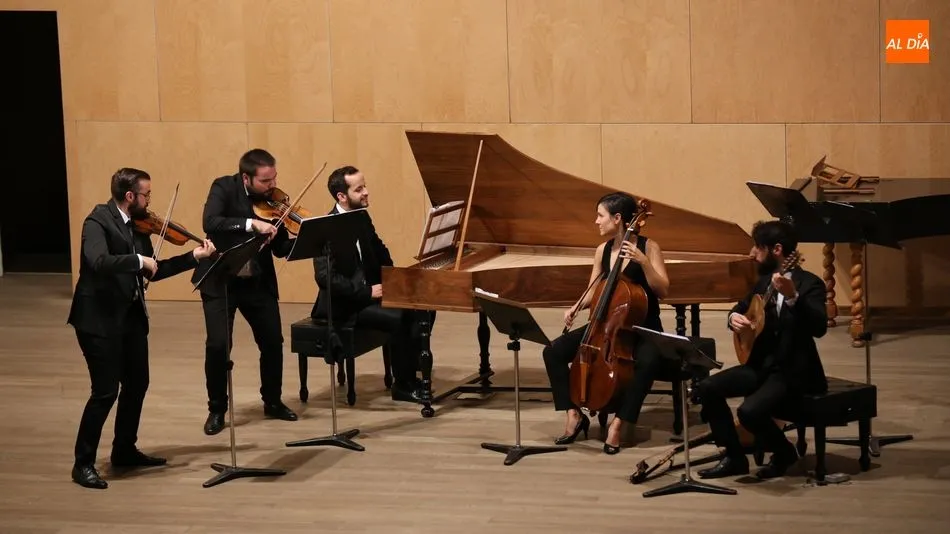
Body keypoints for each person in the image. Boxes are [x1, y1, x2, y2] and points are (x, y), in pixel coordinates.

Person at [68, 167, 216, 489]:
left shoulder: (138, 227)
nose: (151, 201)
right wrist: (137, 260)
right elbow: (98, 262)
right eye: (147, 194)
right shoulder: (97, 222)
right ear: (130, 196)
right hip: (98, 320)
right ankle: (83, 464)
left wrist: (195, 256)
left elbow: (155, 271)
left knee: (137, 383)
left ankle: (123, 449)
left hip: (130, 318)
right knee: (105, 391)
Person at [541, 192, 674, 454]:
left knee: (648, 362)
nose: (596, 221)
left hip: (644, 327)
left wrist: (644, 263)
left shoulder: (649, 248)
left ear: (618, 218)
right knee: (553, 351)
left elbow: (663, 290)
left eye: (600, 216)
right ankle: (573, 413)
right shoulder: (602, 251)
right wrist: (576, 306)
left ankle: (619, 423)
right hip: (605, 325)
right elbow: (594, 290)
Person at [694, 219, 828, 480]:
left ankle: (784, 452)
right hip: (761, 366)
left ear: (777, 249)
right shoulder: (763, 282)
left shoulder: (810, 284)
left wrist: (793, 298)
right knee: (708, 388)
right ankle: (734, 457)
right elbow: (741, 308)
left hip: (793, 372)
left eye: (758, 247)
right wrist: (733, 319)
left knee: (748, 412)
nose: (752, 254)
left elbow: (819, 327)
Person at [192, 148, 298, 436]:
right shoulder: (223, 187)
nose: (272, 186)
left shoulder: (274, 202)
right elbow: (210, 222)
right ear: (246, 178)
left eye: (274, 178)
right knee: (217, 346)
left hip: (256, 282)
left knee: (273, 342)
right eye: (265, 181)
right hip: (221, 279)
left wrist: (305, 239)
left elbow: (279, 249)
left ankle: (272, 401)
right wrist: (252, 223)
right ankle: (217, 408)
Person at [310, 165, 431, 403]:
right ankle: (403, 385)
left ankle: (411, 371)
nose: (366, 192)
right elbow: (326, 279)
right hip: (345, 305)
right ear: (341, 197)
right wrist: (367, 292)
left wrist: (396, 281)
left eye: (365, 186)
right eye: (359, 189)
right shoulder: (326, 228)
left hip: (369, 294)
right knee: (401, 315)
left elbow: (379, 250)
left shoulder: (361, 216)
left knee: (425, 305)